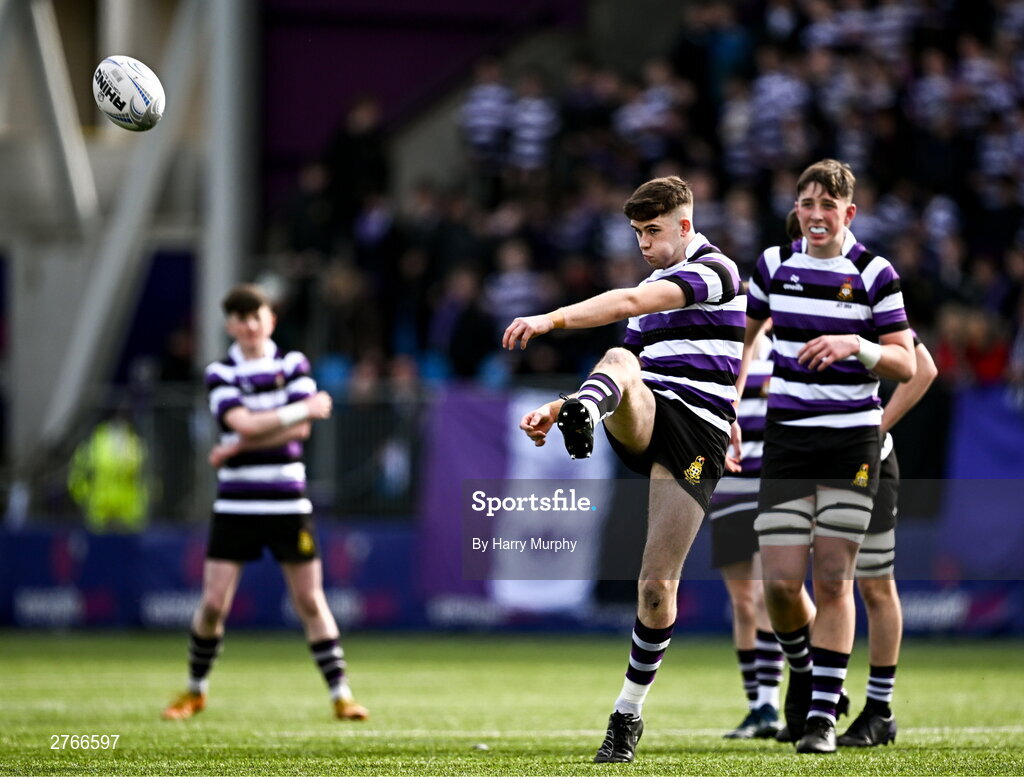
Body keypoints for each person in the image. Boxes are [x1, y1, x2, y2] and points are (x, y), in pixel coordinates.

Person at [503, 176, 744, 763]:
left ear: (685, 226)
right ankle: (582, 410)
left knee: (656, 589)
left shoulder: (716, 271)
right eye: (637, 232)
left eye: (653, 230)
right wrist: (566, 405)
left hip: (699, 433)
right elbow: (626, 369)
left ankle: (627, 712)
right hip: (648, 413)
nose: (643, 242)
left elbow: (631, 302)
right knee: (617, 358)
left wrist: (551, 318)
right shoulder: (653, 281)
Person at [736, 159, 915, 753]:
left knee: (838, 577)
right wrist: (728, 409)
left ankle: (820, 722)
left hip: (852, 440)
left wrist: (856, 345)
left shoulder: (874, 272)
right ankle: (811, 676)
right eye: (806, 204)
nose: (815, 216)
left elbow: (908, 364)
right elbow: (745, 336)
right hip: (787, 437)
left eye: (827, 207)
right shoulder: (771, 264)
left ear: (848, 213)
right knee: (782, 585)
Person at [162, 284, 368, 722]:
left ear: (270, 320)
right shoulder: (220, 372)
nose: (250, 325)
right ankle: (195, 689)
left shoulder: (293, 363)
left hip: (288, 502)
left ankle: (341, 694)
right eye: (240, 317)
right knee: (214, 603)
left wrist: (238, 445)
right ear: (230, 325)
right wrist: (299, 410)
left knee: (310, 601)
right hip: (236, 504)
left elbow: (297, 434)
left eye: (257, 315)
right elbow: (246, 423)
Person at [712, 329, 784, 740]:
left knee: (764, 595)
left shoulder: (783, 352)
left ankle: (773, 704)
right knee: (741, 600)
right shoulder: (721, 355)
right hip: (729, 486)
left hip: (772, 484)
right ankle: (756, 706)